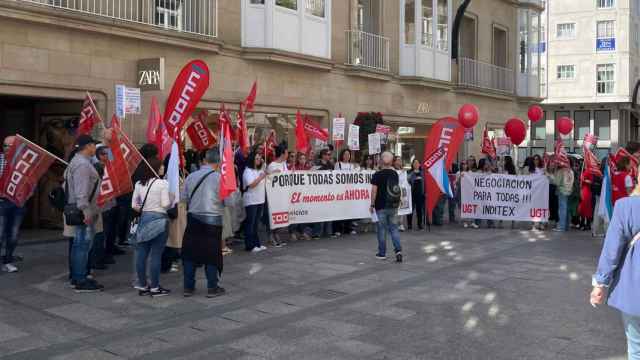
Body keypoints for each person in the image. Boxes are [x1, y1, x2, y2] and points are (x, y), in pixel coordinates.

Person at [590, 183, 640, 359]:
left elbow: (612, 249)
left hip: (635, 290)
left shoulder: (626, 206)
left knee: (636, 348)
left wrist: (600, 284)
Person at [181, 149, 226, 298]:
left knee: (190, 253)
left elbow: (183, 198)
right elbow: (230, 201)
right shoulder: (221, 178)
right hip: (213, 219)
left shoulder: (191, 176)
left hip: (193, 217)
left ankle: (188, 287)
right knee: (212, 254)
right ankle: (212, 287)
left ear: (204, 160)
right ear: (218, 163)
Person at [66, 135, 104, 292]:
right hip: (83, 211)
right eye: (93, 145)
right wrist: (86, 213)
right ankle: (81, 280)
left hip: (81, 209)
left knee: (78, 245)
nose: (95, 148)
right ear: (88, 146)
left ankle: (77, 277)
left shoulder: (78, 161)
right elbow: (81, 194)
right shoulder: (82, 165)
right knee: (82, 246)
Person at [131, 157, 171, 296]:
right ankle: (154, 287)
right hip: (160, 218)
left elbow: (134, 206)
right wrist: (171, 199)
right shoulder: (163, 183)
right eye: (161, 166)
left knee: (141, 254)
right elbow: (165, 204)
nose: (163, 168)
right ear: (154, 168)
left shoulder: (138, 184)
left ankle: (142, 285)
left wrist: (145, 207)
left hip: (144, 219)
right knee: (156, 255)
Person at [370, 151, 402, 263]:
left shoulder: (377, 175)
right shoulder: (394, 174)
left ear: (381, 161)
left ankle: (382, 253)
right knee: (394, 229)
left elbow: (374, 191)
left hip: (381, 206)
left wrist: (372, 204)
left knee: (381, 230)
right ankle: (398, 251)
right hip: (392, 205)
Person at [0, 136, 26, 273]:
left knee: (13, 234)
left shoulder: (23, 163)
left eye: (11, 146)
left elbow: (30, 183)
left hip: (17, 203)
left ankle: (8, 260)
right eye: (5, 145)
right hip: (1, 203)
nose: (7, 148)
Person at [243, 151, 267, 252]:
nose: (258, 160)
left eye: (259, 158)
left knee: (256, 223)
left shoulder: (258, 170)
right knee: (251, 223)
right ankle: (250, 245)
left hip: (260, 199)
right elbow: (251, 184)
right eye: (257, 158)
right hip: (251, 200)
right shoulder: (248, 171)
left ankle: (256, 243)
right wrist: (261, 177)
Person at [265, 142, 288, 247]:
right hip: (274, 196)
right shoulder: (272, 165)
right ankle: (271, 236)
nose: (287, 155)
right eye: (286, 153)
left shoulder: (284, 164)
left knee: (281, 215)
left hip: (282, 194)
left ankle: (276, 234)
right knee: (273, 215)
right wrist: (274, 174)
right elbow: (268, 178)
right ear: (282, 154)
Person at [333, 149, 357, 236]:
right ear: (342, 155)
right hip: (340, 191)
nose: (347, 156)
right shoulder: (338, 164)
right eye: (345, 154)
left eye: (348, 154)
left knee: (349, 210)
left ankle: (348, 228)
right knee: (339, 210)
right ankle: (337, 229)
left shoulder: (351, 166)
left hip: (349, 191)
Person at [311, 148, 334, 238]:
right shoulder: (317, 164)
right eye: (327, 154)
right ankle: (317, 233)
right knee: (319, 212)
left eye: (329, 155)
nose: (329, 156)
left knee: (329, 212)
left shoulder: (330, 165)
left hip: (328, 191)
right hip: (319, 191)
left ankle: (328, 232)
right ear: (323, 155)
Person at [549, 158, 574, 232]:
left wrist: (550, 175)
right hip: (569, 191)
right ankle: (566, 225)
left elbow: (556, 182)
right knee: (567, 209)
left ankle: (561, 226)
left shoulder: (561, 171)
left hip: (562, 191)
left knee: (562, 209)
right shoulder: (570, 171)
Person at [472, 158, 495, 229]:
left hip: (487, 195)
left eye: (488, 164)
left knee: (488, 208)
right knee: (480, 208)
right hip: (480, 195)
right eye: (486, 164)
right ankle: (477, 222)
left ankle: (490, 223)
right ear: (483, 164)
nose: (487, 165)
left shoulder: (489, 172)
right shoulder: (478, 173)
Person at [407, 159, 425, 230]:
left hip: (420, 194)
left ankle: (420, 224)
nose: (416, 164)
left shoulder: (422, 173)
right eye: (414, 163)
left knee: (419, 210)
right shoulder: (409, 172)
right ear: (412, 164)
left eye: (417, 163)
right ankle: (409, 224)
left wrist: (425, 192)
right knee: (410, 210)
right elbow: (407, 180)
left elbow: (425, 183)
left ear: (419, 164)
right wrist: (412, 174)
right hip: (411, 194)